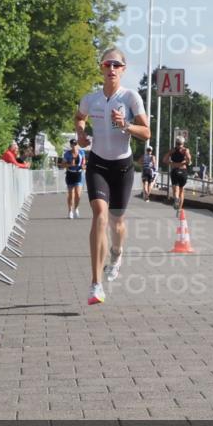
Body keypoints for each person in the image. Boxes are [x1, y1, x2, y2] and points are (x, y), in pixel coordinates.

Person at [74, 47, 150, 305]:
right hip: (97, 164)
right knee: (99, 216)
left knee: (117, 223)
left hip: (122, 167)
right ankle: (96, 285)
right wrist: (82, 133)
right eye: (107, 64)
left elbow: (146, 132)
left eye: (116, 65)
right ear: (101, 68)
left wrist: (125, 125)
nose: (111, 69)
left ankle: (117, 254)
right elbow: (79, 118)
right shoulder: (91, 99)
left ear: (123, 69)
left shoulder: (130, 98)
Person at [59, 138, 86, 218]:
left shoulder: (81, 152)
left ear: (77, 145)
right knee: (71, 194)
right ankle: (70, 211)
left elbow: (84, 162)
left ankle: (76, 208)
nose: (74, 146)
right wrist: (70, 165)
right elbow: (62, 165)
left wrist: (83, 166)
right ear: (70, 145)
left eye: (75, 144)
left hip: (79, 174)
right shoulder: (67, 154)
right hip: (70, 174)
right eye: (72, 144)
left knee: (78, 194)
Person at [166, 136, 192, 215]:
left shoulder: (172, 151)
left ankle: (176, 198)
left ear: (176, 143)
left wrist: (172, 163)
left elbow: (164, 160)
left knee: (176, 191)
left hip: (174, 171)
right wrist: (184, 161)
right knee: (182, 190)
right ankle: (179, 209)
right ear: (183, 143)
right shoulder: (185, 150)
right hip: (183, 172)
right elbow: (189, 160)